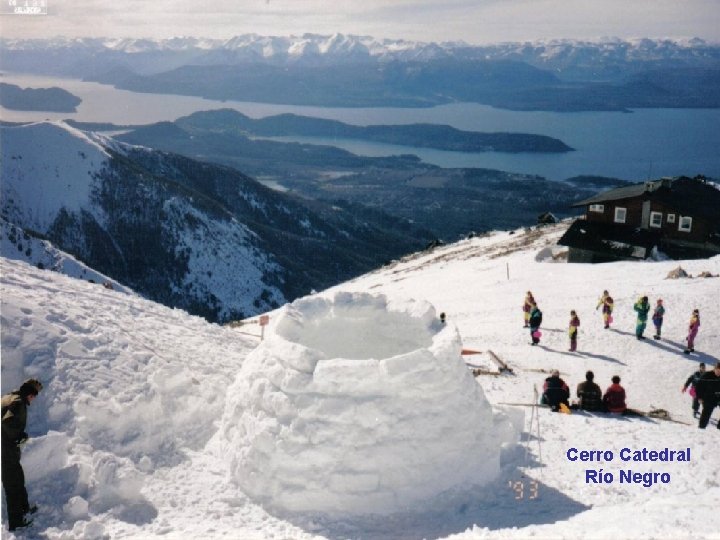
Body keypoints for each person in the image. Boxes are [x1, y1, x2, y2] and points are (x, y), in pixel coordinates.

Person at [2, 379, 43, 532]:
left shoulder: (8, 397)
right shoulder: (18, 402)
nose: (33, 399)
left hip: (7, 449)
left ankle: (23, 508)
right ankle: (16, 521)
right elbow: (7, 422)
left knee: (18, 477)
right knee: (12, 483)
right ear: (29, 393)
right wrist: (19, 436)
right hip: (6, 450)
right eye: (34, 395)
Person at [695, 361, 720, 429]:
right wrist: (699, 397)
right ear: (714, 369)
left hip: (718, 396)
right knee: (706, 411)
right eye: (717, 370)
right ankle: (701, 427)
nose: (719, 372)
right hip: (708, 397)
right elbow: (698, 387)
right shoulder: (707, 375)